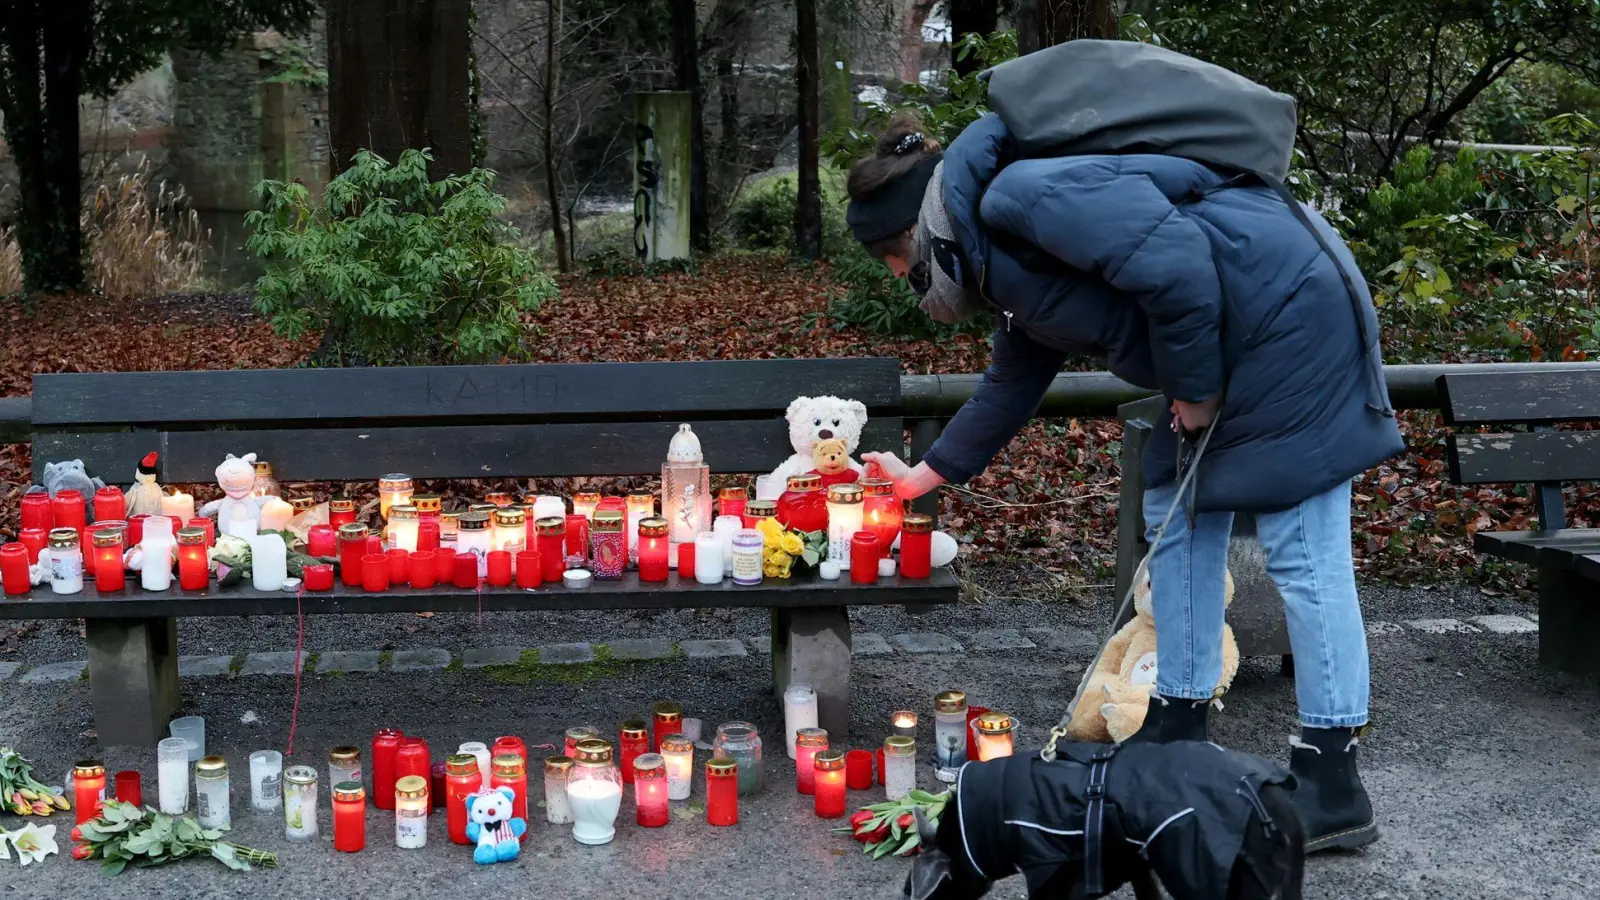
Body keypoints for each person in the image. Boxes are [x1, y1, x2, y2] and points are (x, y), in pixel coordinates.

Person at [848, 109, 1404, 855]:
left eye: (897, 269)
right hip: (1224, 334)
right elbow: (1013, 377)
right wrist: (921, 477)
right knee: (1175, 520)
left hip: (1290, 314)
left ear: (914, 239)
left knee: (1302, 549)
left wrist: (1196, 389)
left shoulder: (1025, 200)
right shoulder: (995, 252)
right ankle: (1175, 734)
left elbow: (1174, 263)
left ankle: (1332, 782)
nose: (909, 288)